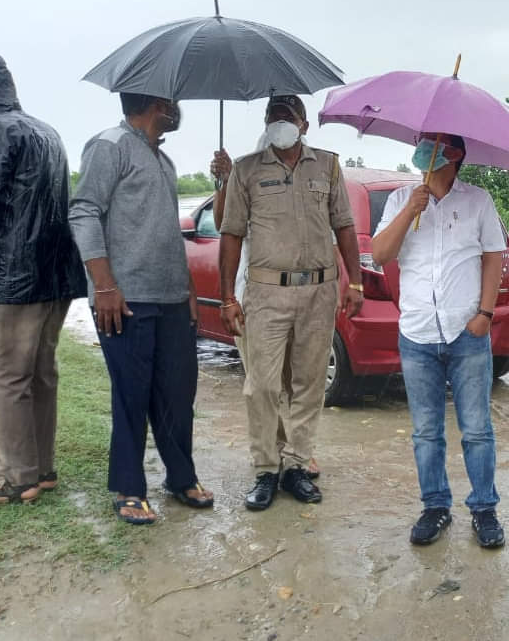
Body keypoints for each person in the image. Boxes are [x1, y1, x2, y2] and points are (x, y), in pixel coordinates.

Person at [69, 92, 213, 524]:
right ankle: (129, 488)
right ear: (154, 103)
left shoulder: (163, 161)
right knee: (132, 394)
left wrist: (189, 289)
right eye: (171, 99)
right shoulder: (109, 145)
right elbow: (83, 212)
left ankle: (181, 476)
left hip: (172, 298)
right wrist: (104, 285)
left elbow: (167, 234)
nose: (177, 106)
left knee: (178, 393)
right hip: (124, 299)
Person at [218, 95, 362, 510]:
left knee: (309, 384)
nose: (280, 122)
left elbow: (344, 225)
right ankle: (266, 468)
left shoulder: (328, 166)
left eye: (288, 116)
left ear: (304, 125)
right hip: (266, 293)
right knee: (262, 385)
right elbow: (231, 234)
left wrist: (355, 283)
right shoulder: (246, 169)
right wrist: (227, 298)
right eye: (273, 116)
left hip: (318, 291)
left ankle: (297, 465)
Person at [371, 132, 508, 548]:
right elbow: (379, 254)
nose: (424, 148)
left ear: (455, 154)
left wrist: (485, 314)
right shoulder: (401, 199)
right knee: (426, 431)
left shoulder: (478, 201)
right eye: (423, 141)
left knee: (477, 429)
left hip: (466, 332)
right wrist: (409, 211)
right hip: (417, 334)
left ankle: (484, 509)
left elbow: (494, 256)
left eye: (434, 142)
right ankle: (435, 506)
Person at [0, 52, 87, 507]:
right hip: (55, 275)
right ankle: (40, 469)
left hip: (12, 277)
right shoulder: (46, 131)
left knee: (4, 376)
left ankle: (13, 476)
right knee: (40, 373)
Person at [210, 135, 320, 483]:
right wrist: (225, 182)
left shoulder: (311, 183)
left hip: (303, 300)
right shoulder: (248, 175)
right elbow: (224, 224)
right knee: (263, 386)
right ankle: (271, 457)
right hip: (255, 299)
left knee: (298, 381)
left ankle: (299, 452)